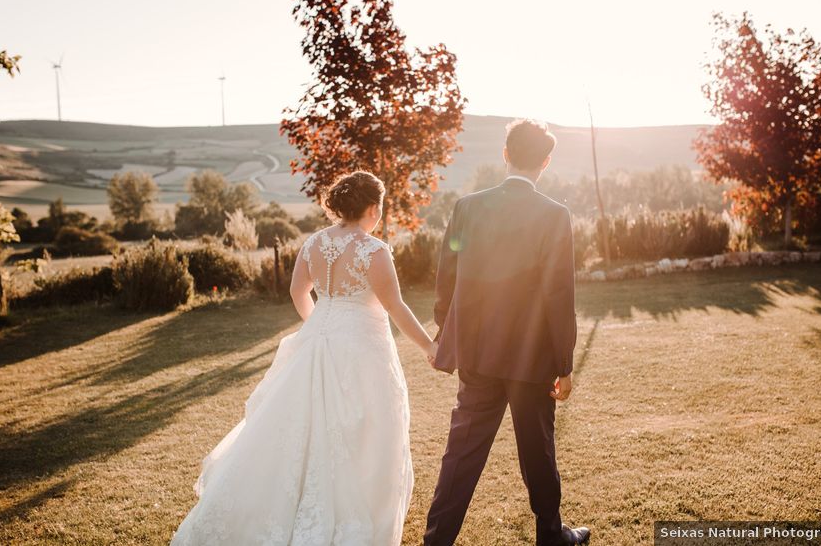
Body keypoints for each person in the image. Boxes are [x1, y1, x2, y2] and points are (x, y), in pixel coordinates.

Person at [170, 170, 436, 545]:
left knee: (301, 426)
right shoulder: (373, 250)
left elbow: (299, 292)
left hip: (316, 341)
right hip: (362, 350)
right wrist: (429, 346)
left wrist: (321, 326)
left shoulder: (314, 243)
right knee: (367, 427)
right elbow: (395, 306)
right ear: (373, 208)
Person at [424, 119, 590, 546]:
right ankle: (552, 538)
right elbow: (559, 295)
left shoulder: (468, 207)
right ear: (546, 161)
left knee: (461, 453)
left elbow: (447, 277)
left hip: (477, 354)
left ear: (505, 154)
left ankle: (436, 540)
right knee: (538, 452)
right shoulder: (555, 215)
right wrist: (564, 364)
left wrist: (446, 332)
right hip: (531, 360)